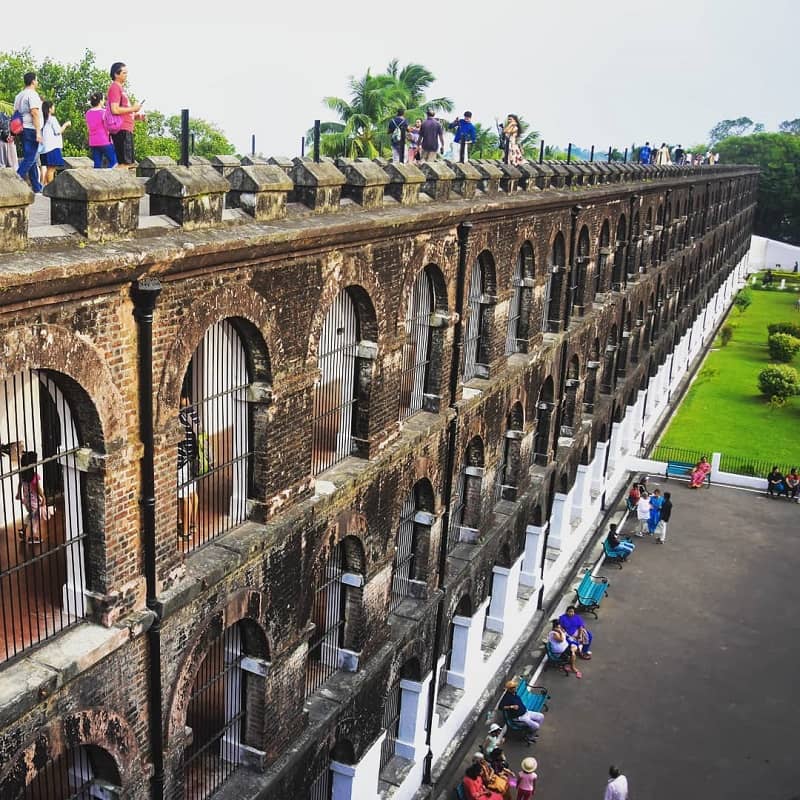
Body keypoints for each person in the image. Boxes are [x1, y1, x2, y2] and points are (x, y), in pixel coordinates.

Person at [107, 62, 144, 168]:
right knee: (124, 163)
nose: (126, 75)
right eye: (124, 73)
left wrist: (136, 115)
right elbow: (115, 109)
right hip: (121, 129)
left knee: (129, 163)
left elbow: (123, 110)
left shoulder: (121, 89)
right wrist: (134, 108)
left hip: (127, 127)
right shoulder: (115, 87)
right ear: (116, 74)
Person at [14, 71, 43, 193]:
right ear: (32, 81)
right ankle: (14, 180)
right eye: (36, 80)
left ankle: (36, 186)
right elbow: (35, 113)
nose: (37, 82)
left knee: (31, 157)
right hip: (31, 128)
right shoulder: (32, 95)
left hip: (21, 128)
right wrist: (38, 132)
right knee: (30, 158)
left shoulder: (19, 95)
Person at [177, 389, 200, 539]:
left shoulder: (180, 417)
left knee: (184, 497)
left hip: (182, 461)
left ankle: (185, 533)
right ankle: (193, 525)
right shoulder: (193, 414)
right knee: (192, 493)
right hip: (193, 459)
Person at [16, 450, 49, 544]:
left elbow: (20, 484)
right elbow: (38, 489)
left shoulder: (22, 474)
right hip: (34, 502)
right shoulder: (34, 476)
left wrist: (18, 493)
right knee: (36, 518)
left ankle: (23, 529)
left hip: (26, 501)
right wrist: (43, 497)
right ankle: (33, 537)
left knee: (31, 514)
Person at [39, 101, 70, 186]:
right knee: (51, 169)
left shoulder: (42, 120)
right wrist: (66, 125)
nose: (54, 108)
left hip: (44, 148)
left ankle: (44, 185)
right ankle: (50, 187)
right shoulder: (52, 119)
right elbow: (58, 131)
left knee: (49, 168)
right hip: (52, 147)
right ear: (49, 109)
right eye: (53, 107)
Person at [85, 91, 118, 169]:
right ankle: (109, 177)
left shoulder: (88, 113)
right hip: (104, 140)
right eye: (103, 99)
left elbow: (88, 128)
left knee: (97, 164)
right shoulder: (104, 112)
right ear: (100, 101)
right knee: (114, 161)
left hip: (93, 141)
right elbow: (108, 127)